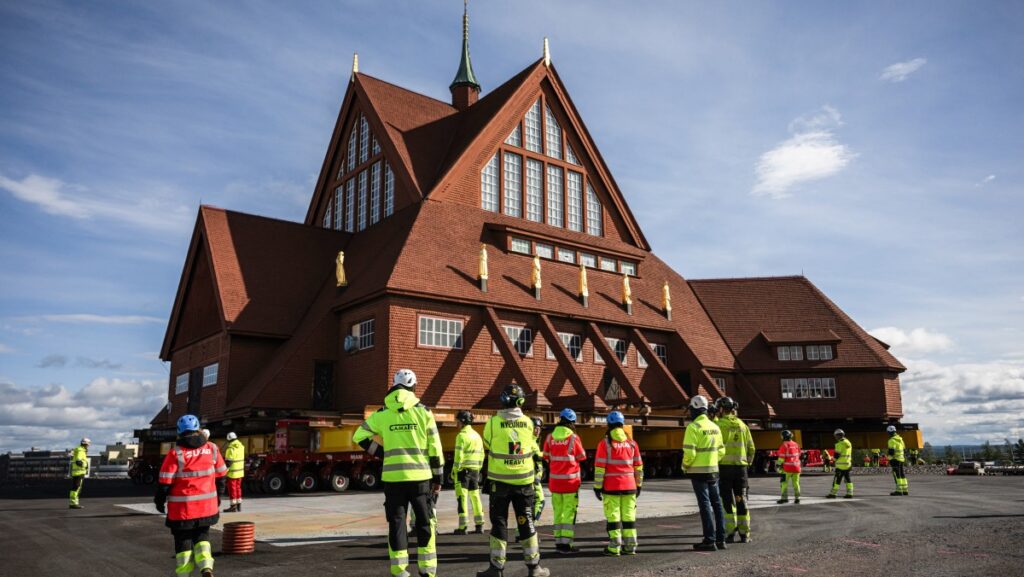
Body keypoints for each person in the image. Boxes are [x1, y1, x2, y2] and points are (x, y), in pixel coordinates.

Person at [353, 369, 444, 577]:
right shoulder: (424, 412)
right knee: (424, 522)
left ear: (394, 386)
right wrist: (438, 478)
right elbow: (435, 449)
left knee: (397, 523)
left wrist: (382, 453)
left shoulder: (382, 414)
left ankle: (399, 570)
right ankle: (427, 570)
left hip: (393, 479)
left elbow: (359, 436)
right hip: (420, 479)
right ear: (413, 387)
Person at [477, 383, 550, 577]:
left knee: (499, 523)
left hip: (499, 483)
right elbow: (531, 445)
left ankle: (496, 568)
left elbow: (487, 443)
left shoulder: (492, 423)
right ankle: (534, 568)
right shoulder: (528, 423)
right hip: (524, 483)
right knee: (526, 522)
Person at [155, 414, 228, 577]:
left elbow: (164, 482)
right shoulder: (212, 449)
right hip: (207, 508)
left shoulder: (176, 453)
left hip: (183, 510)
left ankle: (184, 573)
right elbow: (222, 476)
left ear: (179, 432)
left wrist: (159, 501)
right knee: (203, 537)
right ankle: (206, 567)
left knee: (183, 541)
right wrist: (218, 498)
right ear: (198, 429)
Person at [594, 410, 643, 556]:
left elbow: (599, 468)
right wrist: (639, 484)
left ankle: (614, 547)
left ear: (609, 425)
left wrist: (597, 487)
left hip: (611, 487)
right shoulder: (632, 444)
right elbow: (638, 467)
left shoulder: (605, 444)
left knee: (613, 517)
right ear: (622, 425)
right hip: (630, 487)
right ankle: (630, 546)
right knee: (629, 517)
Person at [683, 395, 726, 551]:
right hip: (713, 470)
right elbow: (722, 450)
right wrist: (712, 460)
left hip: (698, 472)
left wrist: (685, 466)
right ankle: (721, 539)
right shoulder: (715, 427)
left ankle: (709, 540)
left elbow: (689, 453)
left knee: (705, 505)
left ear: (694, 409)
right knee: (717, 504)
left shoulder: (693, 427)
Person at [542, 408, 587, 554]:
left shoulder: (550, 437)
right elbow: (582, 457)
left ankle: (558, 542)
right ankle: (566, 544)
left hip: (555, 483)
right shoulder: (574, 438)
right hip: (570, 483)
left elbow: (546, 457)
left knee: (558, 512)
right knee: (569, 513)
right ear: (572, 422)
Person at [716, 397, 755, 543]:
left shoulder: (718, 425)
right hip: (741, 469)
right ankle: (745, 534)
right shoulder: (743, 425)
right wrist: (747, 463)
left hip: (724, 469)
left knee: (727, 501)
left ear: (720, 409)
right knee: (741, 500)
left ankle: (730, 533)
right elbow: (752, 448)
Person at [452, 410, 485, 535]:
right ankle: (479, 525)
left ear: (462, 422)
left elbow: (458, 457)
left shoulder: (461, 436)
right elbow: (482, 454)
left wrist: (455, 471)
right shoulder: (477, 435)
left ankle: (463, 526)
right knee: (475, 497)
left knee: (462, 498)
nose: (457, 424)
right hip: (475, 471)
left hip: (463, 472)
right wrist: (478, 468)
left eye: (458, 421)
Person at [826, 429, 854, 499]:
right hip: (848, 464)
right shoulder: (848, 442)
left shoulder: (839, 444)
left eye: (835, 436)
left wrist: (832, 460)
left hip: (840, 465)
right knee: (848, 479)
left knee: (837, 480)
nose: (835, 437)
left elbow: (837, 455)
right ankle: (850, 493)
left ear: (838, 436)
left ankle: (833, 493)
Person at [776, 430, 801, 504]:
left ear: (783, 437)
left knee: (784, 483)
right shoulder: (796, 444)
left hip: (787, 468)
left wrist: (778, 465)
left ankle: (784, 498)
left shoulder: (784, 445)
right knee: (796, 483)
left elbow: (781, 458)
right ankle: (797, 498)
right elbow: (799, 454)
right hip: (796, 467)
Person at [223, 432, 246, 512]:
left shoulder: (230, 448)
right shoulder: (241, 446)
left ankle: (233, 507)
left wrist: (225, 471)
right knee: (238, 488)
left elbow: (228, 463)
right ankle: (239, 505)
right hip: (240, 472)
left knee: (232, 489)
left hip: (232, 473)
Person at [68, 437, 91, 509]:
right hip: (79, 472)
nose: (88, 446)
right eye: (88, 444)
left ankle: (74, 503)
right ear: (86, 444)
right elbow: (79, 461)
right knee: (76, 487)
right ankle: (73, 503)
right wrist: (85, 465)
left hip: (78, 472)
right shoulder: (81, 450)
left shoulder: (79, 449)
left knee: (76, 487)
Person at [887, 425, 909, 496]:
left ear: (889, 432)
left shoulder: (891, 440)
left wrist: (889, 458)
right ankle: (905, 490)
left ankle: (898, 491)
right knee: (902, 474)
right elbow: (904, 449)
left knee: (897, 475)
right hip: (901, 459)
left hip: (895, 459)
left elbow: (891, 452)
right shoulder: (900, 439)